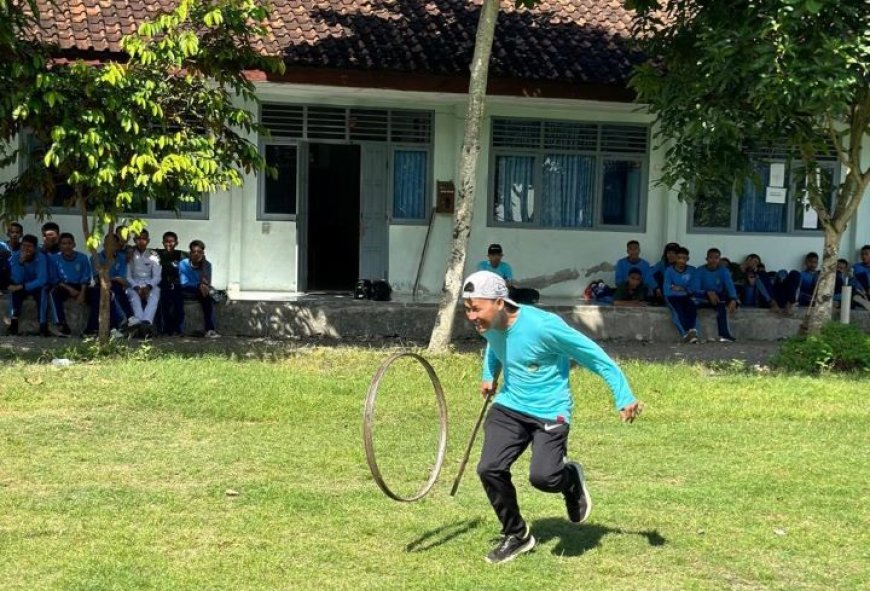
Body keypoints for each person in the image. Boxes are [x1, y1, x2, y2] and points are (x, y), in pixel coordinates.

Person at [462, 270, 641, 564]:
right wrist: (488, 374)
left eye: (476, 308)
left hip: (549, 409)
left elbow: (592, 354)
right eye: (467, 308)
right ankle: (517, 535)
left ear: (499, 302)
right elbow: (494, 345)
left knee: (544, 478)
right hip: (510, 405)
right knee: (489, 469)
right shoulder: (488, 323)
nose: (471, 316)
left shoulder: (543, 327)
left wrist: (623, 394)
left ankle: (569, 479)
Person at [85, 234, 132, 335]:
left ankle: (93, 329)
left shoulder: (121, 258)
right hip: (99, 286)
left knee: (115, 288)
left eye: (113, 244)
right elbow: (98, 278)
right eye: (108, 244)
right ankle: (123, 320)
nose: (110, 247)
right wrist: (112, 279)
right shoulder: (96, 258)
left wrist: (112, 279)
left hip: (116, 286)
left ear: (117, 246)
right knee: (104, 293)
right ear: (104, 245)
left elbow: (123, 279)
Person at [49, 232, 92, 336]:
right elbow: (55, 278)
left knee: (97, 294)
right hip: (63, 286)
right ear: (59, 246)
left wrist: (82, 293)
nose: (67, 246)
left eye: (69, 243)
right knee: (53, 293)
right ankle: (62, 324)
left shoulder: (82, 257)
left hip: (80, 286)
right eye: (63, 244)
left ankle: (92, 328)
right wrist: (70, 289)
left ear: (74, 244)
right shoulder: (54, 258)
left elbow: (86, 276)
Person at [691, 248, 737, 342]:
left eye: (716, 258)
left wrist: (733, 299)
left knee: (722, 305)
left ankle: (724, 335)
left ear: (719, 259)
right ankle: (693, 335)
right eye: (711, 257)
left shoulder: (723, 271)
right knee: (691, 303)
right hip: (702, 296)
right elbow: (695, 289)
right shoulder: (699, 271)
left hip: (717, 297)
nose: (713, 260)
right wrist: (708, 292)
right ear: (706, 259)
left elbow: (730, 286)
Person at [7, 234, 49, 336]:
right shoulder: (15, 257)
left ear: (35, 248)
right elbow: (16, 279)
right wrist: (21, 263)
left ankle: (43, 325)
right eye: (24, 246)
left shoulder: (41, 258)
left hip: (36, 286)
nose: (26, 249)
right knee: (14, 293)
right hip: (21, 285)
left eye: (29, 246)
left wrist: (24, 286)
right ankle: (13, 323)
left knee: (43, 292)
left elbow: (42, 279)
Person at [178, 240, 220, 338]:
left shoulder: (207, 265)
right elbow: (184, 283)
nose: (196, 254)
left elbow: (207, 282)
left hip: (201, 290)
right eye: (194, 252)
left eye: (199, 252)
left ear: (203, 254)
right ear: (190, 253)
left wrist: (203, 266)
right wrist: (198, 285)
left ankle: (210, 329)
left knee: (207, 298)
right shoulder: (183, 264)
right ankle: (179, 329)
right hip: (186, 290)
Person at [125, 229, 162, 336]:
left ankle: (146, 322)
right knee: (134, 298)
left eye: (144, 239)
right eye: (138, 239)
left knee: (155, 294)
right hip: (133, 282)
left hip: (149, 282)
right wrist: (136, 287)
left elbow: (157, 276)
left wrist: (149, 287)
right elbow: (127, 276)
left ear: (148, 240)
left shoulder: (154, 255)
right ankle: (141, 324)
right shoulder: (130, 254)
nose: (141, 241)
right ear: (134, 240)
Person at [664, 246, 698, 343]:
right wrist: (684, 289)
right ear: (675, 258)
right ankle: (686, 334)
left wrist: (680, 288)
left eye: (684, 258)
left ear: (687, 259)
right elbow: (667, 289)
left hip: (686, 296)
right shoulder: (669, 271)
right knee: (678, 311)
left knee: (692, 307)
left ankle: (691, 332)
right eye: (679, 258)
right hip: (672, 297)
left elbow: (693, 288)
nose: (681, 261)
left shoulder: (692, 270)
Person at [156, 231, 187, 335]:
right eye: (166, 241)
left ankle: (178, 329)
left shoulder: (181, 255)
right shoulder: (158, 255)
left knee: (179, 306)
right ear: (162, 243)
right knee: (164, 305)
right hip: (163, 285)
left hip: (177, 285)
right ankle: (166, 330)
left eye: (172, 241)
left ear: (176, 243)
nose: (169, 244)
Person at [852, 245, 870, 311]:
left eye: (866, 254)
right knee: (854, 295)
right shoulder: (856, 266)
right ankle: (866, 303)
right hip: (859, 292)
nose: (863, 256)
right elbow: (852, 280)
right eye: (862, 254)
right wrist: (861, 290)